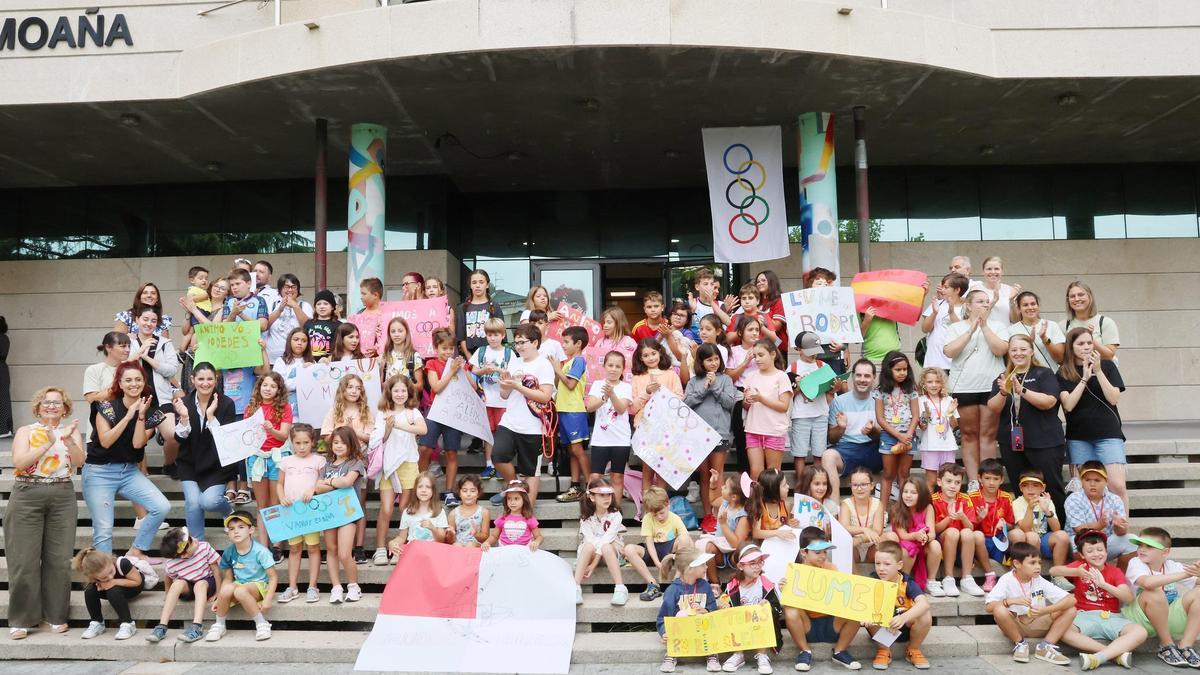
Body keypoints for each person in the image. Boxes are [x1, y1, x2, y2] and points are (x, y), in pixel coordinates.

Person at [6, 386, 83, 639]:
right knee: (23, 560)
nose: (51, 406)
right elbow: (19, 462)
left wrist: (68, 441)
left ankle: (55, 616)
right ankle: (22, 619)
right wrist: (48, 443)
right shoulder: (26, 431)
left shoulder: (70, 431)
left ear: (65, 407)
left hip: (62, 494)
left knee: (59, 560)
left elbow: (80, 461)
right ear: (38, 407)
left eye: (57, 402)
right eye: (46, 402)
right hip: (27, 493)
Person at [84, 361, 171, 557]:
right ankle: (105, 571)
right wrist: (127, 416)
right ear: (120, 384)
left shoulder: (151, 411)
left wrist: (140, 416)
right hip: (99, 472)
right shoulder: (106, 407)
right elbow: (106, 441)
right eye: (128, 380)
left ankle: (136, 551)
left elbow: (137, 444)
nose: (134, 384)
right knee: (104, 529)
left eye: (138, 380)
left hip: (129, 471)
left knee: (161, 506)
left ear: (144, 382)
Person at [987, 334, 1067, 517]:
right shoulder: (1003, 377)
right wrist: (1003, 392)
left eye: (1023, 349)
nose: (1018, 353)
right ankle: (1027, 527)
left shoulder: (1043, 373)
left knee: (1051, 487)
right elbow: (993, 407)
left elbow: (1049, 402)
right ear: (1008, 352)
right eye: (1014, 350)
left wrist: (1021, 390)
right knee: (1020, 488)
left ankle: (1058, 527)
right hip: (1012, 442)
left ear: (1031, 351)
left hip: (1044, 441)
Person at [1048, 530, 1146, 671]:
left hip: (1112, 617)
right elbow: (1053, 571)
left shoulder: (1115, 572)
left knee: (1140, 632)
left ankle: (1098, 658)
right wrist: (1076, 572)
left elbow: (1128, 598)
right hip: (1083, 615)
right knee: (1063, 631)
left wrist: (1104, 585)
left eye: (1100, 549)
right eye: (1090, 551)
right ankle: (1112, 655)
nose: (1096, 554)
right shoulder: (1081, 566)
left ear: (1106, 551)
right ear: (1082, 555)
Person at [944, 289, 1009, 488]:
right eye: (980, 301)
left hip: (991, 385)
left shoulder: (998, 326)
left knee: (988, 435)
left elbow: (1001, 350)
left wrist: (985, 326)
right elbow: (949, 351)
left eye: (987, 301)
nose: (985, 304)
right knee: (968, 435)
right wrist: (971, 330)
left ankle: (988, 481)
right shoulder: (956, 327)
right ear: (968, 305)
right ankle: (973, 481)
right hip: (964, 387)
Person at [1059, 328, 1128, 508]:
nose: (1086, 347)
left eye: (1089, 343)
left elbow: (1114, 398)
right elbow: (1068, 405)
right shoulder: (1064, 371)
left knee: (1117, 485)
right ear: (1071, 347)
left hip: (1108, 433)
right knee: (1084, 488)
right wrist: (1084, 378)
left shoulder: (1108, 366)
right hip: (1079, 437)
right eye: (1081, 343)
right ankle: (1090, 524)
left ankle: (1122, 524)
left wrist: (1098, 371)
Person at [780, 527, 863, 671]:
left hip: (832, 624)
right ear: (804, 552)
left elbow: (840, 599)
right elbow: (791, 603)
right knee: (790, 608)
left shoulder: (831, 568)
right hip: (807, 627)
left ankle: (840, 651)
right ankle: (805, 651)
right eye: (817, 552)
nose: (823, 556)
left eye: (825, 551)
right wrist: (785, 590)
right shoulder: (796, 572)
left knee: (856, 606)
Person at [490, 325, 556, 505]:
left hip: (533, 426)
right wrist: (505, 384)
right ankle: (515, 486)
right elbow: (504, 395)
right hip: (510, 421)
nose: (518, 346)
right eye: (516, 343)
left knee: (531, 471)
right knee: (498, 456)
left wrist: (518, 387)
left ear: (535, 343)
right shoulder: (514, 362)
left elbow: (545, 396)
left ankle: (528, 511)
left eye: (522, 342)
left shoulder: (544, 364)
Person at [172, 362, 238, 540]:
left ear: (216, 380)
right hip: (189, 463)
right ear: (192, 380)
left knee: (208, 501)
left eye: (210, 379)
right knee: (193, 503)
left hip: (216, 465)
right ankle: (198, 545)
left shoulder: (227, 403)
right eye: (200, 379)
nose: (205, 383)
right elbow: (179, 439)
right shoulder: (184, 403)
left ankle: (228, 511)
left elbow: (226, 441)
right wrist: (184, 418)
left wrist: (210, 416)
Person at [984, 541, 1075, 666]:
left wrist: (1045, 610)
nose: (1038, 567)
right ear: (1017, 564)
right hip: (1016, 625)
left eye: (1039, 563)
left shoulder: (1038, 579)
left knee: (1071, 609)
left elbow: (1071, 599)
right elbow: (989, 607)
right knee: (999, 610)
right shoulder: (1006, 579)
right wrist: (1011, 601)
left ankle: (1045, 647)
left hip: (1038, 622)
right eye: (1032, 563)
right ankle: (1020, 643)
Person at [1120, 527, 1200, 667]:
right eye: (1140, 545)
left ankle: (1185, 646)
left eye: (1149, 546)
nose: (1142, 549)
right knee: (1154, 591)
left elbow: (1197, 581)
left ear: (1165, 552)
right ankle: (1166, 645)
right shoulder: (1136, 562)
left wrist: (1197, 571)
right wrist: (1187, 574)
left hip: (1166, 619)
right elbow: (1147, 583)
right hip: (1139, 620)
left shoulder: (1172, 566)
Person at [368, 374, 426, 564]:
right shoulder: (382, 413)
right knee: (386, 509)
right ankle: (380, 549)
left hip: (408, 464)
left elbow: (423, 430)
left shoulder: (413, 412)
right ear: (389, 392)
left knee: (404, 508)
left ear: (409, 392)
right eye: (396, 390)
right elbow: (379, 440)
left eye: (403, 390)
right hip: (388, 465)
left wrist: (399, 424)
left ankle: (400, 548)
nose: (400, 394)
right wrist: (388, 428)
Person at [683, 343, 737, 521]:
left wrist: (714, 387)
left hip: (720, 433)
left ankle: (719, 515)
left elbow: (730, 403)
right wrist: (704, 387)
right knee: (704, 475)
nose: (713, 363)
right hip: (698, 434)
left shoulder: (726, 379)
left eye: (716, 359)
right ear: (701, 362)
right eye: (709, 360)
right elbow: (686, 403)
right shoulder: (693, 381)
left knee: (717, 475)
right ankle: (708, 515)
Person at [243, 372, 293, 558]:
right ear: (259, 386)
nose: (268, 389)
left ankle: (277, 545)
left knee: (276, 503)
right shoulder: (251, 408)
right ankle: (263, 547)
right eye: (265, 385)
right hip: (257, 458)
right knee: (261, 505)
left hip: (278, 457)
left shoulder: (285, 407)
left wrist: (272, 429)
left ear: (278, 390)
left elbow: (284, 435)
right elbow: (246, 436)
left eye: (273, 386)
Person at [275, 424, 326, 603]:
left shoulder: (319, 460)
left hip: (310, 512)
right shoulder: (286, 461)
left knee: (313, 547)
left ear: (313, 442)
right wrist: (281, 497)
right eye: (298, 443)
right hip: (291, 511)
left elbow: (323, 481)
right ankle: (292, 587)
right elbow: (279, 484)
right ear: (292, 442)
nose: (302, 447)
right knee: (295, 548)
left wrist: (313, 489)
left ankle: (312, 586)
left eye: (306, 442)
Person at [127, 305, 181, 472]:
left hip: (161, 400)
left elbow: (172, 370)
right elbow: (123, 367)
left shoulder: (165, 343)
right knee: (137, 440)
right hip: (136, 401)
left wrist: (148, 359)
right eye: (145, 319)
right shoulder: (128, 343)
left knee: (172, 435)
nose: (149, 323)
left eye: (153, 321)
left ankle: (169, 464)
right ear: (137, 320)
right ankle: (139, 473)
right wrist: (140, 351)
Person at [207, 511, 276, 642]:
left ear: (251, 530)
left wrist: (267, 599)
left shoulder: (260, 551)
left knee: (240, 591)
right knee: (226, 589)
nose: (236, 532)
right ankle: (219, 625)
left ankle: (262, 623)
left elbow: (273, 577)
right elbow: (228, 578)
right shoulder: (229, 552)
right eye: (231, 529)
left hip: (259, 585)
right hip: (240, 584)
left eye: (241, 527)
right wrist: (220, 599)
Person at [318, 426, 367, 604]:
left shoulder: (355, 463)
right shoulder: (326, 465)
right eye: (335, 442)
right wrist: (335, 483)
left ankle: (353, 586)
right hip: (329, 514)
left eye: (343, 443)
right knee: (331, 550)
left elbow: (347, 482)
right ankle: (336, 587)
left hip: (347, 514)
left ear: (351, 444)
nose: (338, 446)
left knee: (345, 553)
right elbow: (318, 488)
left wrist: (329, 481)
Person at [867, 540, 933, 670]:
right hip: (882, 628)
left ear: (899, 565)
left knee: (924, 614)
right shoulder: (872, 581)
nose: (881, 568)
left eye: (887, 564)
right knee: (870, 613)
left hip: (905, 626)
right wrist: (865, 617)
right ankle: (884, 650)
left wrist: (903, 618)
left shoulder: (906, 581)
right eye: (877, 563)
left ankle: (913, 649)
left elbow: (924, 603)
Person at [148, 527, 222, 643]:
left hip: (207, 583)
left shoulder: (204, 547)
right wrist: (168, 593)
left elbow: (216, 570)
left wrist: (218, 592)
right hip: (189, 586)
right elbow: (168, 578)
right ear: (184, 554)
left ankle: (197, 627)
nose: (195, 540)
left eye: (191, 538)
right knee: (177, 583)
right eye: (191, 542)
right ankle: (162, 626)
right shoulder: (172, 563)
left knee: (200, 584)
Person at [418, 328, 466, 505]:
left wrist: (463, 369)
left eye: (451, 348)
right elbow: (436, 387)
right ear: (435, 348)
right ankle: (422, 485)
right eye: (444, 348)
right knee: (425, 448)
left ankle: (449, 491)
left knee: (452, 452)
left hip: (453, 414)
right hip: (435, 410)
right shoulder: (431, 364)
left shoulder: (458, 364)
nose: (448, 352)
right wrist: (451, 371)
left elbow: (471, 386)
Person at [720, 544, 784, 674]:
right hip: (740, 628)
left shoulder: (766, 584)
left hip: (760, 627)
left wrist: (768, 605)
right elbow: (724, 601)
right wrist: (724, 606)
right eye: (752, 563)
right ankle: (738, 654)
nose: (757, 566)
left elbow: (778, 610)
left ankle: (762, 655)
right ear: (740, 566)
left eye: (760, 562)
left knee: (762, 612)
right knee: (733, 614)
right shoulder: (732, 586)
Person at [824, 359, 883, 500]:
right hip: (847, 450)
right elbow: (831, 438)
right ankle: (834, 507)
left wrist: (872, 431)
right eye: (859, 375)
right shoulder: (839, 401)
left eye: (867, 376)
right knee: (828, 456)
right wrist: (841, 428)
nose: (862, 379)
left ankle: (893, 501)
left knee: (893, 449)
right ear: (852, 376)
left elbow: (883, 437)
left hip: (873, 450)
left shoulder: (880, 400)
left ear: (874, 378)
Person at [631, 338, 685, 490]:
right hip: (645, 426)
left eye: (653, 353)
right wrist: (647, 392)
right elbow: (633, 407)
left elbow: (680, 398)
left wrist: (662, 393)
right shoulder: (637, 377)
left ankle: (661, 502)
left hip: (666, 426)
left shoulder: (671, 375)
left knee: (663, 468)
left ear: (660, 352)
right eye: (646, 355)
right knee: (647, 468)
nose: (650, 358)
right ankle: (647, 503)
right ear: (640, 358)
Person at [656, 547, 720, 674]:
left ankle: (711, 653)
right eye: (703, 564)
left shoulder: (705, 586)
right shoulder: (673, 590)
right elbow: (663, 617)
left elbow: (712, 606)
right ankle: (672, 653)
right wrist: (664, 632)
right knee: (680, 617)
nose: (707, 567)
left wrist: (706, 610)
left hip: (702, 629)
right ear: (690, 569)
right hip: (681, 631)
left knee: (709, 625)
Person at [214, 269, 268, 416]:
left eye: (238, 283)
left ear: (249, 283)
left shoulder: (259, 301)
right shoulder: (228, 302)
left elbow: (263, 325)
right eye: (232, 285)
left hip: (252, 355)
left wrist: (241, 314)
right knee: (231, 388)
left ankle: (248, 413)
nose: (234, 287)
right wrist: (233, 313)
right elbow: (223, 328)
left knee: (248, 391)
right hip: (231, 355)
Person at [585, 351, 635, 507]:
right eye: (610, 365)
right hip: (601, 439)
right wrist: (604, 397)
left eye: (618, 366)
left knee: (617, 477)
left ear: (623, 369)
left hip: (620, 439)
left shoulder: (626, 387)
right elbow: (590, 407)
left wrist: (612, 394)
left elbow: (621, 409)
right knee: (595, 476)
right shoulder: (597, 384)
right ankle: (591, 511)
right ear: (604, 366)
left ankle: (615, 512)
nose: (613, 369)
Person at [574, 477, 634, 606]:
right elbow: (590, 540)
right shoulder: (585, 518)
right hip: (591, 551)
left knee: (606, 545)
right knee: (589, 546)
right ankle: (575, 587)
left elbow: (608, 538)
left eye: (609, 495)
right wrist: (594, 558)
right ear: (592, 497)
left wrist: (594, 563)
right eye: (602, 495)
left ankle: (620, 588)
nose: (607, 498)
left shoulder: (616, 515)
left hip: (610, 552)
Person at [1064, 462, 1136, 566]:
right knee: (1076, 542)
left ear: (1106, 481)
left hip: (1105, 542)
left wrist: (1120, 526)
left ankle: (1118, 575)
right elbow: (1079, 529)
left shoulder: (1115, 499)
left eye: (1097, 480)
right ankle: (1087, 573)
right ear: (1081, 482)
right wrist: (1099, 525)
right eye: (1087, 480)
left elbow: (1121, 533)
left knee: (1131, 541)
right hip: (1080, 540)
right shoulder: (1074, 499)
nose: (1092, 484)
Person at [967, 458, 1023, 593]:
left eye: (995, 479)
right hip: (981, 542)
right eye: (987, 478)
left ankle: (1015, 575)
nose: (991, 482)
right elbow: (968, 528)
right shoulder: (972, 497)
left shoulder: (1006, 497)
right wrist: (979, 519)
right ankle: (990, 575)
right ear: (979, 478)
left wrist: (1004, 524)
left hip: (999, 539)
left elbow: (1011, 524)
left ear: (1002, 480)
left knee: (1018, 534)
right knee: (977, 535)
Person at [73, 547, 154, 641]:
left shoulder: (122, 563)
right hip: (114, 588)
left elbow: (137, 581)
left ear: (110, 560)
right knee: (90, 590)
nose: (110, 576)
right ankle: (97, 622)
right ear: (93, 576)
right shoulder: (93, 576)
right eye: (104, 577)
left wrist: (114, 582)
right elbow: (98, 585)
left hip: (133, 586)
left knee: (113, 591)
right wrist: (101, 585)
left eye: (111, 571)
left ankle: (128, 624)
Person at [930, 463, 985, 598]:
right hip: (942, 544)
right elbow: (934, 529)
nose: (953, 486)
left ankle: (967, 578)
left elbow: (971, 528)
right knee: (953, 532)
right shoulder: (933, 500)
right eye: (948, 481)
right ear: (939, 482)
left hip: (961, 547)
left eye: (957, 482)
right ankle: (948, 578)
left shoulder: (965, 499)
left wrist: (963, 517)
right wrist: (949, 517)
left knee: (967, 532)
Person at [469, 318, 515, 482]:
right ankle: (489, 465)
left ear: (503, 335)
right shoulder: (481, 351)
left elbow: (513, 374)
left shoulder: (509, 353)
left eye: (496, 335)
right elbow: (473, 371)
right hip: (485, 400)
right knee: (488, 434)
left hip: (503, 401)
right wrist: (484, 370)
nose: (493, 338)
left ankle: (501, 464)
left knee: (502, 434)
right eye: (489, 335)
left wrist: (498, 370)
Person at [874, 351, 919, 510]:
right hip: (889, 436)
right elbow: (880, 419)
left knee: (904, 474)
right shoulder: (880, 391)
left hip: (908, 436)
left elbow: (916, 415)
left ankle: (905, 511)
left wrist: (908, 435)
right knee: (888, 474)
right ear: (888, 370)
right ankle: (882, 511)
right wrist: (898, 435)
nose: (902, 373)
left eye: (905, 369)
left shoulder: (911, 389)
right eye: (898, 370)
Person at [742, 339, 792, 479]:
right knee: (755, 472)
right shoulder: (751, 377)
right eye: (755, 356)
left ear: (773, 354)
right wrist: (747, 400)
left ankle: (774, 495)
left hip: (774, 430)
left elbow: (784, 406)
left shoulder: (782, 377)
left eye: (761, 355)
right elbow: (745, 406)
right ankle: (756, 495)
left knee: (773, 473)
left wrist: (761, 398)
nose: (757, 359)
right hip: (753, 429)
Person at [553, 326, 591, 503]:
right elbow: (560, 384)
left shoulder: (579, 361)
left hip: (574, 411)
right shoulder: (569, 362)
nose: (564, 345)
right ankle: (575, 486)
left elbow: (570, 384)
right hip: (564, 410)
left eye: (567, 342)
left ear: (578, 344)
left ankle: (591, 486)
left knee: (577, 449)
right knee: (571, 450)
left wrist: (557, 369)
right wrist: (558, 370)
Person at [636, 486, 693, 601]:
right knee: (629, 549)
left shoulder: (675, 518)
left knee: (685, 539)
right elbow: (649, 542)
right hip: (653, 550)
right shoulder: (647, 518)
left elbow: (687, 540)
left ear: (668, 505)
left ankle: (677, 579)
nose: (659, 517)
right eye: (655, 515)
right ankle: (653, 584)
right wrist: (657, 562)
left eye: (661, 513)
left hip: (670, 551)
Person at [787, 332, 831, 480]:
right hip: (801, 415)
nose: (813, 355)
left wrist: (835, 387)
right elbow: (788, 394)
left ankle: (818, 483)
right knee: (800, 453)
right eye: (809, 351)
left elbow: (831, 390)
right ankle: (801, 485)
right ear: (798, 349)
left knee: (819, 453)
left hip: (821, 414)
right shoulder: (793, 367)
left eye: (816, 351)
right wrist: (798, 387)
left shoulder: (823, 366)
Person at [883, 477, 940, 590]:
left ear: (922, 494)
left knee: (935, 545)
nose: (908, 495)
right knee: (908, 549)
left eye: (913, 493)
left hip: (921, 544)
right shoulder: (896, 509)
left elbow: (932, 533)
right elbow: (903, 535)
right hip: (904, 545)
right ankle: (905, 579)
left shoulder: (928, 508)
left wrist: (925, 537)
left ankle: (931, 581)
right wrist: (915, 535)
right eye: (905, 492)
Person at [696, 472, 750, 583]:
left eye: (725, 487)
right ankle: (715, 583)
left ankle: (739, 582)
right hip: (720, 549)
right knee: (709, 548)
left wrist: (724, 524)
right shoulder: (725, 503)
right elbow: (713, 501)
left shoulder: (743, 516)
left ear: (733, 497)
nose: (722, 487)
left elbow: (736, 544)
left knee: (741, 556)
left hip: (733, 554)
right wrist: (713, 485)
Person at [1012, 471, 1071, 570]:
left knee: (1062, 535)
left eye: (1035, 485)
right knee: (1032, 536)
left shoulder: (1046, 501)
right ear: (1021, 488)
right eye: (1025, 485)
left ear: (1042, 488)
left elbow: (1056, 529)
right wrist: (1030, 508)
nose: (1030, 489)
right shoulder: (1017, 503)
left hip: (1043, 539)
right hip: (1026, 541)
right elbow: (1025, 529)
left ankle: (1058, 573)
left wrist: (1046, 510)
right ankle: (1032, 572)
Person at [915, 367, 959, 490]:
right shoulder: (920, 401)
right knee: (932, 480)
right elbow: (922, 427)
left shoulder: (948, 400)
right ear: (924, 384)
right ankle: (930, 502)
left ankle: (945, 503)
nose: (934, 385)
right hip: (930, 446)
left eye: (937, 381)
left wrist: (950, 413)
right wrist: (926, 415)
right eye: (930, 382)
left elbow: (955, 425)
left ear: (942, 383)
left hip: (948, 446)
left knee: (948, 479)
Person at [386, 471, 449, 552]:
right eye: (420, 487)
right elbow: (402, 537)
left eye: (428, 487)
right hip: (413, 551)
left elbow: (441, 540)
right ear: (415, 490)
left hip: (432, 552)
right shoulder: (407, 512)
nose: (423, 490)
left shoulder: (439, 512)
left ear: (433, 491)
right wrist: (392, 543)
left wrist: (432, 528)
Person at [919, 273, 968, 372]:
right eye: (942, 287)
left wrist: (951, 312)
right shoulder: (938, 303)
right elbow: (925, 329)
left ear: (957, 290)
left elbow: (963, 331)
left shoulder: (966, 307)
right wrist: (934, 313)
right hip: (934, 361)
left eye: (946, 287)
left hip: (955, 364)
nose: (942, 290)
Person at [805, 268, 849, 372]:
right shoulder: (804, 307)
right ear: (810, 286)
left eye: (826, 284)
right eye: (819, 283)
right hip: (812, 358)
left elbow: (846, 329)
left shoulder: (837, 307)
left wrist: (843, 346)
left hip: (833, 357)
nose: (823, 287)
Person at [1063, 281, 1120, 362]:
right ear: (1068, 300)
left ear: (1090, 297)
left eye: (1081, 295)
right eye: (1072, 296)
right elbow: (1061, 358)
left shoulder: (1105, 323)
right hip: (1074, 370)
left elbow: (1109, 356)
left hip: (1102, 369)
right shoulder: (1063, 325)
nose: (1077, 299)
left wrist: (1090, 338)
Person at [1009, 291, 1066, 369]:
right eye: (1025, 305)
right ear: (1019, 308)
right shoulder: (1012, 330)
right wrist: (1029, 342)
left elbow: (1060, 358)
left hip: (1051, 374)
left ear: (1038, 306)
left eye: (1033, 304)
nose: (1030, 307)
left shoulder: (1052, 325)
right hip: (1025, 374)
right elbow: (1010, 360)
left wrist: (1044, 339)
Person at [263, 274, 311, 364]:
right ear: (280, 289)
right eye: (286, 287)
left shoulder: (304, 306)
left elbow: (309, 328)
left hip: (298, 359)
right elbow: (264, 327)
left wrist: (295, 306)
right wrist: (279, 310)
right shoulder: (271, 305)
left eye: (293, 287)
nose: (290, 290)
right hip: (273, 359)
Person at [839, 467, 883, 565]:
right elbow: (844, 527)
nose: (859, 488)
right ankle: (855, 573)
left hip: (871, 544)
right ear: (851, 486)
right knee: (846, 545)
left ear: (872, 485)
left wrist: (860, 539)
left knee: (891, 537)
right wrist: (864, 529)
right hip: (853, 546)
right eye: (855, 485)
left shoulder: (877, 503)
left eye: (863, 484)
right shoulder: (846, 504)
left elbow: (877, 531)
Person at [483, 479, 543, 550]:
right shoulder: (503, 518)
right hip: (505, 550)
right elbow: (494, 536)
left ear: (524, 499)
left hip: (524, 552)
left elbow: (539, 536)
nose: (512, 502)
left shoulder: (529, 518)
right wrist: (487, 542)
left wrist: (536, 542)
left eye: (516, 499)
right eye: (509, 499)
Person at [456, 269, 502, 360]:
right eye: (474, 282)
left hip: (491, 355)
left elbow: (500, 333)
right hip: (470, 355)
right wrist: (469, 357)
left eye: (481, 282)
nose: (477, 285)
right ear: (470, 285)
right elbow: (461, 336)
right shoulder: (463, 308)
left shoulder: (494, 306)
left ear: (487, 285)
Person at [83, 332, 132, 406]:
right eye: (123, 346)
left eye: (129, 346)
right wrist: (117, 384)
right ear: (108, 347)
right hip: (104, 412)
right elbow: (92, 400)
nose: (128, 350)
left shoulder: (131, 369)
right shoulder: (94, 370)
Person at [272, 327, 314, 410]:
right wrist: (305, 374)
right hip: (285, 408)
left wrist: (317, 367)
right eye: (296, 339)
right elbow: (280, 385)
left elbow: (316, 385)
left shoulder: (312, 363)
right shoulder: (281, 361)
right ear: (289, 341)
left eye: (304, 341)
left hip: (307, 408)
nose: (300, 343)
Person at [593, 306, 638, 381]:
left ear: (619, 324)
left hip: (624, 383)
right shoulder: (600, 343)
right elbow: (594, 363)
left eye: (609, 322)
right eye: (604, 323)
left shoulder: (628, 342)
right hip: (604, 383)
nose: (605, 325)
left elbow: (638, 361)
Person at [381, 316, 424, 388]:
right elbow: (380, 386)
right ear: (389, 334)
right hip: (389, 395)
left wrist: (403, 386)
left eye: (400, 331)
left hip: (408, 395)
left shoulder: (414, 356)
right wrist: (387, 384)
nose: (396, 334)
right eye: (393, 331)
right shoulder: (385, 356)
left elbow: (420, 386)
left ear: (406, 332)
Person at [448, 475, 490, 547]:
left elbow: (485, 537)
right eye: (464, 491)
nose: (468, 494)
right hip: (458, 546)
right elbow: (450, 541)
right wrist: (450, 534)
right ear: (459, 493)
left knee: (470, 545)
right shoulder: (453, 514)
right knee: (456, 545)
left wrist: (476, 534)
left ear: (478, 493)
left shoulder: (484, 512)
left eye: (473, 491)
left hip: (476, 545)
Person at [978, 256, 1022, 326]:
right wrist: (994, 300)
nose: (993, 272)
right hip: (983, 331)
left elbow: (1015, 320)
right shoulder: (976, 289)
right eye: (989, 269)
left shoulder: (1010, 290)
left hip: (1005, 331)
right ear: (983, 272)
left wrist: (1011, 302)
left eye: (996, 269)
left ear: (1002, 272)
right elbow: (975, 318)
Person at [753, 269, 788, 354]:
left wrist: (759, 314)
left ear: (771, 282)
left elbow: (776, 326)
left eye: (763, 280)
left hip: (777, 347)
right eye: (758, 282)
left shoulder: (779, 301)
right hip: (759, 345)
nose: (759, 283)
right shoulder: (756, 301)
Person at [353, 277, 386, 358]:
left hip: (380, 359)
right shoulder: (359, 314)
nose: (361, 297)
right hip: (359, 358)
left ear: (375, 295)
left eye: (364, 294)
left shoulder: (386, 314)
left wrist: (378, 348)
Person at [303, 289, 340, 360]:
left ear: (332, 307)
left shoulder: (338, 325)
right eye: (318, 304)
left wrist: (331, 358)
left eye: (326, 304)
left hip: (330, 362)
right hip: (310, 362)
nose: (322, 306)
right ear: (315, 307)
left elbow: (340, 347)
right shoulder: (308, 324)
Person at [0, 316, 9, 437]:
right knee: (3, 398)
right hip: (2, 369)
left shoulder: (2, 338)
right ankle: (5, 428)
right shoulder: (5, 338)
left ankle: (3, 429)